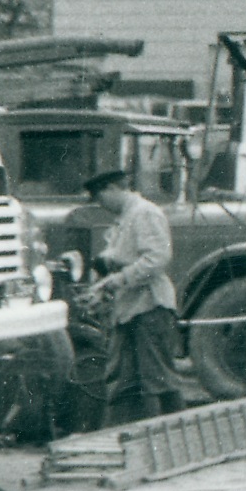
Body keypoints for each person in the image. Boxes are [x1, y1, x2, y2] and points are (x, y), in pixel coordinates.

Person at [85, 162, 184, 424]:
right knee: (123, 380)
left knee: (157, 379)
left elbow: (157, 258)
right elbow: (122, 256)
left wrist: (116, 281)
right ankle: (124, 437)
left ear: (114, 188)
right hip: (129, 310)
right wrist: (102, 276)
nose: (100, 204)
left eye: (100, 197)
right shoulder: (125, 218)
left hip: (150, 307)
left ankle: (171, 437)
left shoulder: (144, 213)